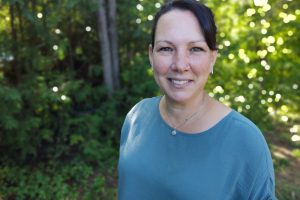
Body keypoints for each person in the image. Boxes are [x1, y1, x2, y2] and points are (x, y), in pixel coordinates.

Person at [118, 0, 277, 199]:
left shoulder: (246, 141)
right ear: (151, 55)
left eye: (195, 49)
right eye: (166, 49)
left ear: (213, 57)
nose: (180, 64)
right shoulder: (136, 116)